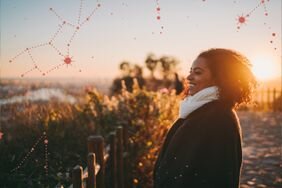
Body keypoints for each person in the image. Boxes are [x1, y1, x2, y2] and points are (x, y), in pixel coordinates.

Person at [153, 48, 257, 188]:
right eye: (190, 71)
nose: (189, 77)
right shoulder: (201, 110)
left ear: (220, 78)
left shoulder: (218, 118)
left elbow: (215, 176)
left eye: (198, 72)